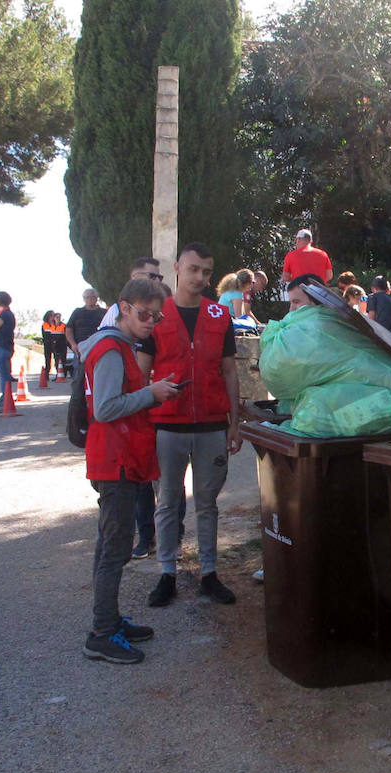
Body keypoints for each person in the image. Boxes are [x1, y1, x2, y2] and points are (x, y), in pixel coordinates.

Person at [79, 277, 181, 664]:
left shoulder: (120, 346)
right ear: (123, 308)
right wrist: (150, 395)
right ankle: (102, 634)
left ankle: (108, 621)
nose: (151, 321)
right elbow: (105, 409)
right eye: (144, 314)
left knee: (111, 545)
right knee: (114, 549)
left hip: (119, 459)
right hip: (114, 461)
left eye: (156, 316)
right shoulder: (110, 349)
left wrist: (150, 391)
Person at [147, 242, 242, 608]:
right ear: (177, 269)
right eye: (193, 270)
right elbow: (142, 373)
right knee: (168, 502)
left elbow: (229, 369)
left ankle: (209, 573)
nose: (200, 277)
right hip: (167, 426)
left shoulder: (220, 315)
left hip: (211, 426)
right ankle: (166, 573)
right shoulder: (158, 316)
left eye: (206, 271)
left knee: (208, 503)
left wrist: (235, 422)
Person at [65, 288, 106, 371]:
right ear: (83, 299)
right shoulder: (77, 312)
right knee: (79, 376)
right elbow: (69, 329)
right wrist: (73, 344)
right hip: (80, 349)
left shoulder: (104, 313)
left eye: (92, 297)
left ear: (96, 298)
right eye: (87, 297)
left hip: (98, 347)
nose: (90, 299)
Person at [42, 310, 68, 380]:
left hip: (58, 345)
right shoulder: (45, 325)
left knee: (58, 361)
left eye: (53, 316)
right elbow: (45, 335)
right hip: (48, 345)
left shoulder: (60, 325)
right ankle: (46, 376)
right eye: (51, 316)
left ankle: (60, 375)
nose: (52, 317)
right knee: (47, 360)